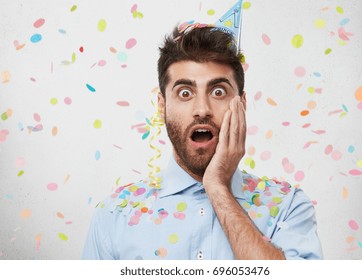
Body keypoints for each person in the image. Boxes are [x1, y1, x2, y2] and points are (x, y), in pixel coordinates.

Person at [81, 23, 323, 260]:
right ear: (162, 105)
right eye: (185, 93)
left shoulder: (288, 206)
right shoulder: (115, 216)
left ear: (242, 104)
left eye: (218, 92)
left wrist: (218, 188)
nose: (202, 110)